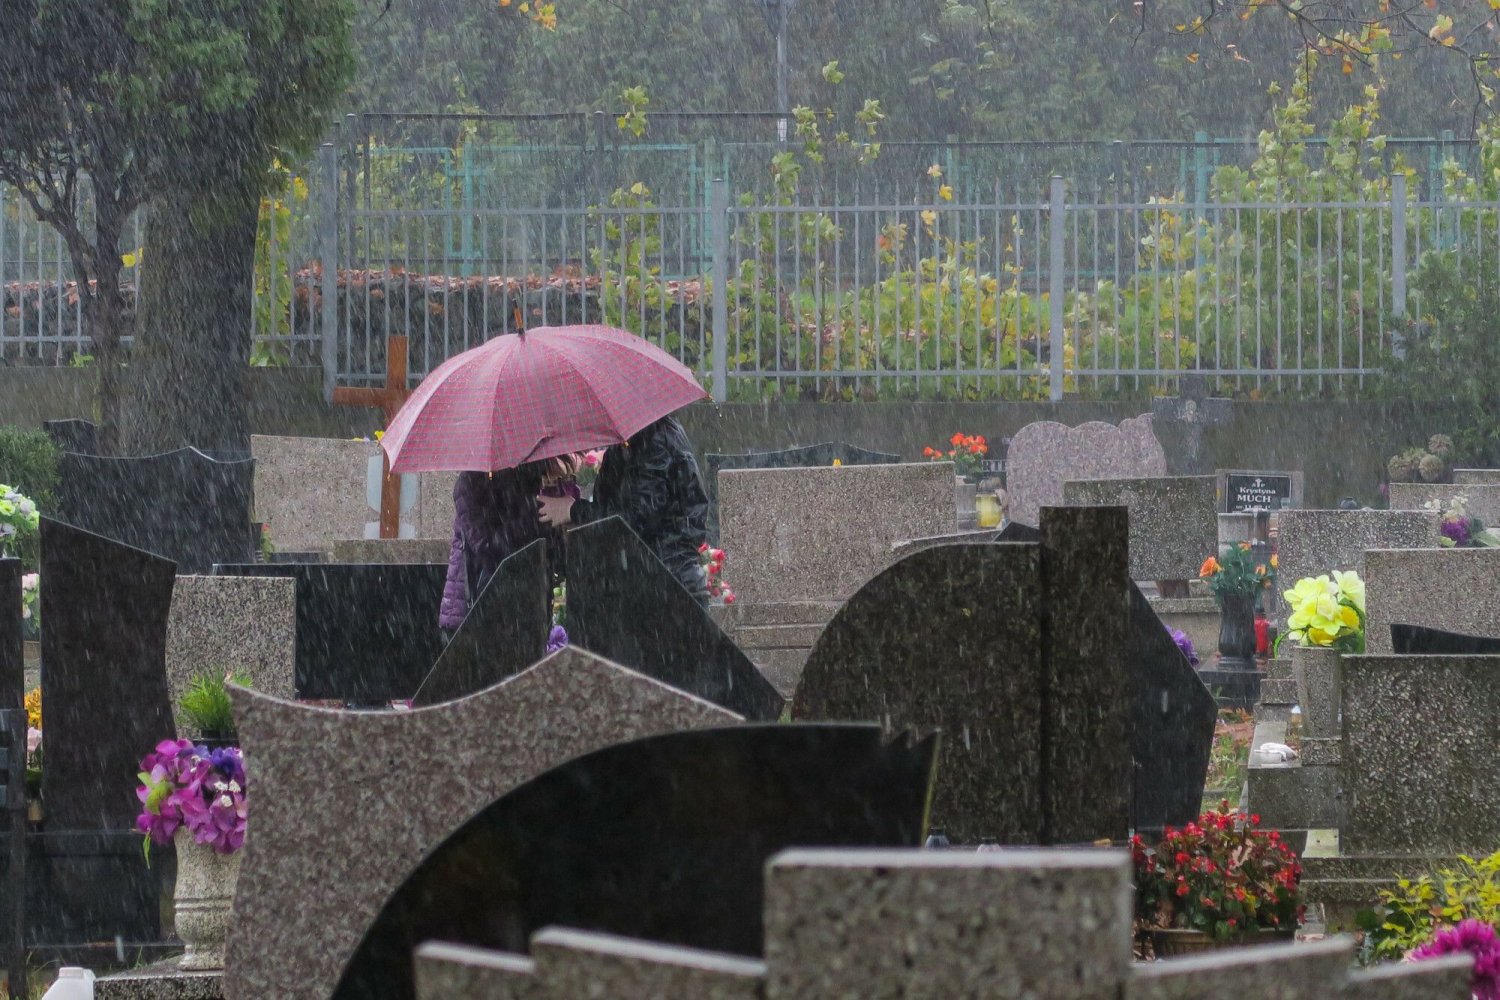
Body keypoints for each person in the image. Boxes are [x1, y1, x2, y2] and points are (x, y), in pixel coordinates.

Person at [537, 415, 710, 604]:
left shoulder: (654, 441)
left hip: (664, 586)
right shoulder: (636, 440)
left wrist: (573, 510)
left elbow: (635, 521)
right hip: (655, 582)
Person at [438, 457, 576, 634]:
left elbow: (551, 551)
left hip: (526, 609)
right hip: (475, 609)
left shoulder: (534, 478)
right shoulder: (472, 483)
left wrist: (560, 525)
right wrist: (532, 521)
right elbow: (485, 544)